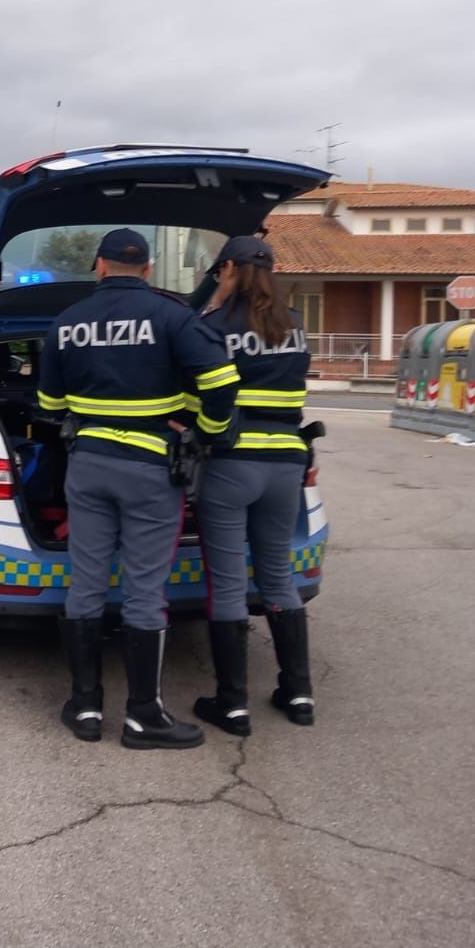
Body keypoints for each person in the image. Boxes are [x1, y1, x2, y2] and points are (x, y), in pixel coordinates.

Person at [38, 228, 240, 749]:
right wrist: (203, 433)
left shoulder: (66, 325)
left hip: (87, 469)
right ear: (147, 270)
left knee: (85, 585)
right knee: (145, 591)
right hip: (151, 471)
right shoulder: (174, 318)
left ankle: (84, 708)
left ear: (99, 267)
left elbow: (48, 407)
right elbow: (220, 384)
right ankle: (143, 716)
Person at [192, 234, 316, 734]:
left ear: (227, 271)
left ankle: (233, 704)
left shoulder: (214, 326)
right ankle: (298, 692)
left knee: (227, 584)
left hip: (230, 464)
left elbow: (198, 393)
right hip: (286, 462)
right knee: (277, 576)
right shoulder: (296, 327)